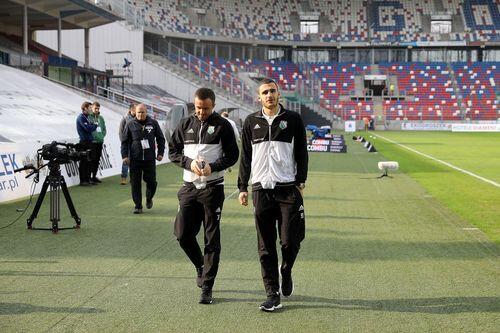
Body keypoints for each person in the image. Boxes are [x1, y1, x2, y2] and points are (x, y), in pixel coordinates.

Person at [238, 78, 308, 312]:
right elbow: (245, 156)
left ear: (279, 94)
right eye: (265, 92)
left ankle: (286, 269)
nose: (269, 95)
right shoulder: (251, 122)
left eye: (273, 91)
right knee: (265, 246)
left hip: (287, 188)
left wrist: (301, 180)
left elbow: (301, 151)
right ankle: (272, 294)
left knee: (290, 240)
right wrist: (242, 187)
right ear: (259, 97)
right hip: (261, 190)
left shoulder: (293, 120)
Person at [169, 88, 239, 305]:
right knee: (182, 234)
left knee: (211, 238)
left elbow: (233, 155)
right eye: (198, 108)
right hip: (189, 188)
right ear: (194, 104)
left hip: (212, 189)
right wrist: (189, 163)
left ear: (214, 106)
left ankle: (207, 286)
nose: (201, 112)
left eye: (206, 108)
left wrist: (213, 167)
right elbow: (173, 151)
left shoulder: (223, 126)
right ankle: (200, 265)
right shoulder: (185, 124)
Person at [121, 104, 165, 214]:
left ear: (146, 112)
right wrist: (125, 156)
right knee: (135, 183)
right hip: (135, 159)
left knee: (152, 182)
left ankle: (149, 198)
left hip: (150, 159)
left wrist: (160, 153)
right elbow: (124, 141)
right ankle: (138, 206)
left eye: (143, 112)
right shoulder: (130, 124)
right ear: (135, 112)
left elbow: (161, 139)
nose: (140, 114)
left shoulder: (153, 123)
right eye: (139, 112)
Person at [76, 101, 97, 186]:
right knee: (84, 161)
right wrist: (94, 125)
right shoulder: (81, 117)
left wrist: (92, 126)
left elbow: (89, 127)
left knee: (89, 161)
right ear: (85, 108)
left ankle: (88, 179)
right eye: (89, 108)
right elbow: (88, 128)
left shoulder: (86, 117)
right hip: (84, 142)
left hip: (89, 142)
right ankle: (83, 180)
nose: (91, 110)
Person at [88, 102, 106, 183]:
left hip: (100, 141)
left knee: (97, 159)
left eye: (98, 108)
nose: (97, 110)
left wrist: (101, 136)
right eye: (95, 108)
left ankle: (94, 176)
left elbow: (104, 129)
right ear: (92, 108)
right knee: (92, 159)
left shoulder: (101, 118)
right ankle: (89, 177)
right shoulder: (89, 117)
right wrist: (94, 137)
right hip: (92, 142)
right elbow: (89, 129)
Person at [119, 103, 136, 185]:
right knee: (126, 160)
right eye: (135, 109)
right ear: (131, 109)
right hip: (127, 143)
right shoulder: (125, 118)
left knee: (135, 161)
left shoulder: (138, 118)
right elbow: (120, 131)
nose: (136, 111)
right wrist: (123, 142)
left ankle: (133, 178)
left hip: (135, 144)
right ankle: (123, 177)